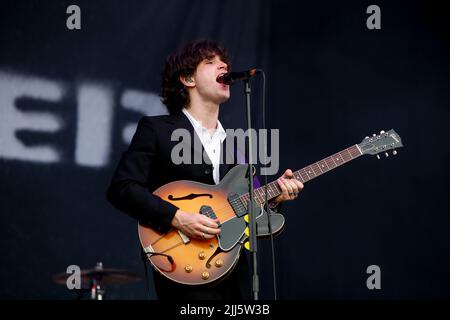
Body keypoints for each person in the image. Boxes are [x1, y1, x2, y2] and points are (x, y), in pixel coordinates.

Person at [106, 39, 303, 300]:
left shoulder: (236, 147)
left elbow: (255, 218)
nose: (223, 65)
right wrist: (178, 217)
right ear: (188, 78)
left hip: (234, 276)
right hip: (184, 267)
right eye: (210, 62)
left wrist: (276, 198)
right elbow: (122, 188)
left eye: (224, 62)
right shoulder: (157, 130)